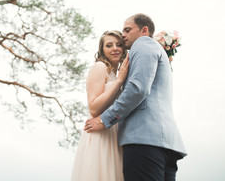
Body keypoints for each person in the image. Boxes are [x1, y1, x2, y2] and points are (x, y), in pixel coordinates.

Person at [85, 14, 187, 181]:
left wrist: (104, 119)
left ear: (144, 30)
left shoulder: (144, 44)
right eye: (109, 45)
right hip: (166, 143)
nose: (123, 35)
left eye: (127, 30)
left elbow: (138, 89)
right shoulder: (153, 52)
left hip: (144, 141)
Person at [71, 30, 129, 181]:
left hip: (114, 132)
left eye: (119, 45)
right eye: (109, 45)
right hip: (100, 133)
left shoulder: (118, 74)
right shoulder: (100, 67)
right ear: (102, 50)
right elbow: (94, 107)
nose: (115, 48)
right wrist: (118, 82)